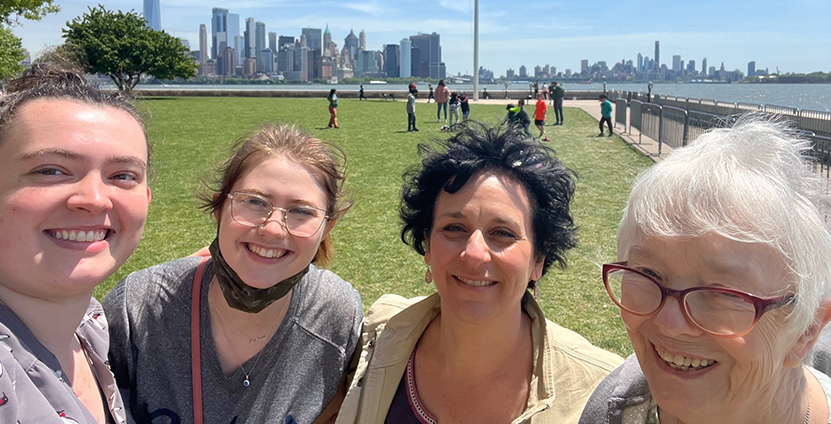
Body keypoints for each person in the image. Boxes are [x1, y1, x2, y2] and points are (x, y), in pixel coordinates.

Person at [338, 123, 622, 423]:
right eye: (454, 228)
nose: (473, 254)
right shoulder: (377, 336)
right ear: (428, 247)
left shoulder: (604, 394)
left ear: (539, 259)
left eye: (502, 233)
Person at [104, 124, 363, 424]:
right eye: (254, 202)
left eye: (301, 211)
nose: (272, 228)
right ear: (219, 208)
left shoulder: (337, 316)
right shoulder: (138, 307)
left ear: (326, 229)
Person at [579, 118, 831, 424]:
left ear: (807, 330)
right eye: (649, 273)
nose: (670, 323)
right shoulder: (610, 411)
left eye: (721, 293)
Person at [0, 65, 152, 423]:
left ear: (145, 199)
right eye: (51, 170)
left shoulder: (91, 325)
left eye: (122, 176)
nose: (95, 199)